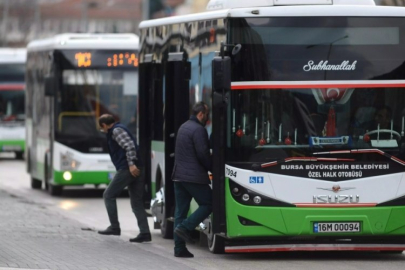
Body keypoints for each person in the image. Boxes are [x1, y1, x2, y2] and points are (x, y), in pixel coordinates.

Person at [98, 114, 151, 243]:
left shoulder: (116, 131)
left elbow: (129, 146)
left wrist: (131, 164)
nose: (103, 130)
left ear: (104, 125)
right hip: (136, 167)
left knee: (108, 195)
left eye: (102, 128)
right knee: (136, 203)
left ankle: (114, 227)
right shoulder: (119, 128)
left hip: (128, 169)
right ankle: (145, 233)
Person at [172, 101, 213, 258]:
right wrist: (212, 168)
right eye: (207, 115)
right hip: (193, 177)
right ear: (201, 114)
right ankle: (186, 227)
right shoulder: (199, 130)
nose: (208, 118)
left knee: (180, 212)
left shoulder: (183, 126)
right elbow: (203, 154)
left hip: (179, 176)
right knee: (209, 203)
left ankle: (179, 248)